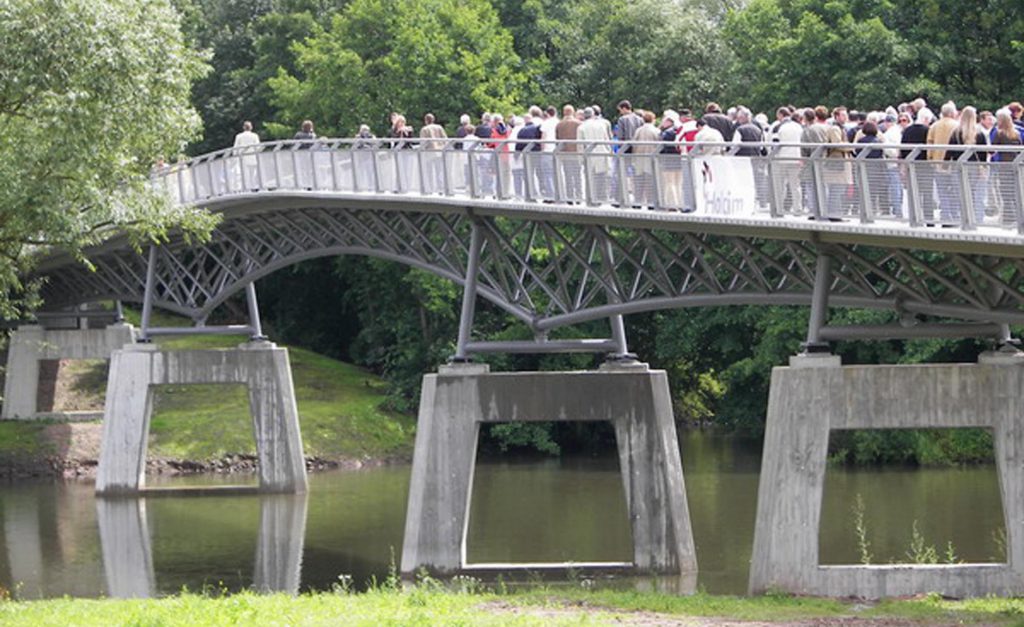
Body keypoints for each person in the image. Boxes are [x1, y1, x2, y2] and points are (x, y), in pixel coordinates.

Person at [945, 106, 989, 224]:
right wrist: (984, 167)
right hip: (974, 167)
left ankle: (963, 218)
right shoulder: (979, 134)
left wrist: (945, 164)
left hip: (958, 166)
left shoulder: (955, 133)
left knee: (960, 193)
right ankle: (975, 219)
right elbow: (983, 153)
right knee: (974, 193)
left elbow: (949, 151)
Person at [992, 109, 1022, 225]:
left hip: (1004, 166)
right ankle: (1018, 216)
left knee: (1005, 192)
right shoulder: (1017, 133)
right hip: (1016, 166)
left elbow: (993, 149)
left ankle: (1009, 217)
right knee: (1016, 191)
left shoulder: (999, 133)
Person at [577, 106, 613, 202]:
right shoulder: (601, 125)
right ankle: (603, 199)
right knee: (602, 179)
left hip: (590, 157)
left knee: (590, 180)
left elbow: (580, 146)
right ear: (593, 115)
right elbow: (607, 140)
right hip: (602, 155)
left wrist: (580, 160)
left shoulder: (581, 127)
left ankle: (591, 199)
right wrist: (609, 153)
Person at [631, 111, 661, 208]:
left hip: (639, 159)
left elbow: (633, 143)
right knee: (650, 183)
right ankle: (651, 203)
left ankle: (637, 202)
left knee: (638, 182)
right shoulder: (656, 131)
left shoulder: (638, 130)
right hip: (651, 160)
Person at [555, 104, 583, 201]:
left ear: (564, 112)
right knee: (577, 175)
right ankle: (579, 196)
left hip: (565, 154)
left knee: (568, 176)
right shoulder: (579, 124)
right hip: (576, 153)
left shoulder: (559, 124)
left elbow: (557, 139)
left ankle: (570, 196)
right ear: (573, 112)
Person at [419, 113, 448, 194]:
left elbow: (423, 143)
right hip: (439, 152)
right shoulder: (439, 127)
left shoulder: (424, 129)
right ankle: (440, 189)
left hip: (429, 153)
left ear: (426, 121)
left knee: (429, 172)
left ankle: (430, 189)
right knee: (439, 171)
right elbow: (445, 139)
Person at [233, 120, 260, 190]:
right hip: (253, 158)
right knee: (253, 174)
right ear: (251, 127)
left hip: (242, 159)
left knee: (244, 174)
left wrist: (235, 157)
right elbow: (258, 147)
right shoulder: (254, 136)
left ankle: (244, 188)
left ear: (244, 127)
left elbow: (235, 148)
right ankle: (253, 187)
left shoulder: (239, 136)